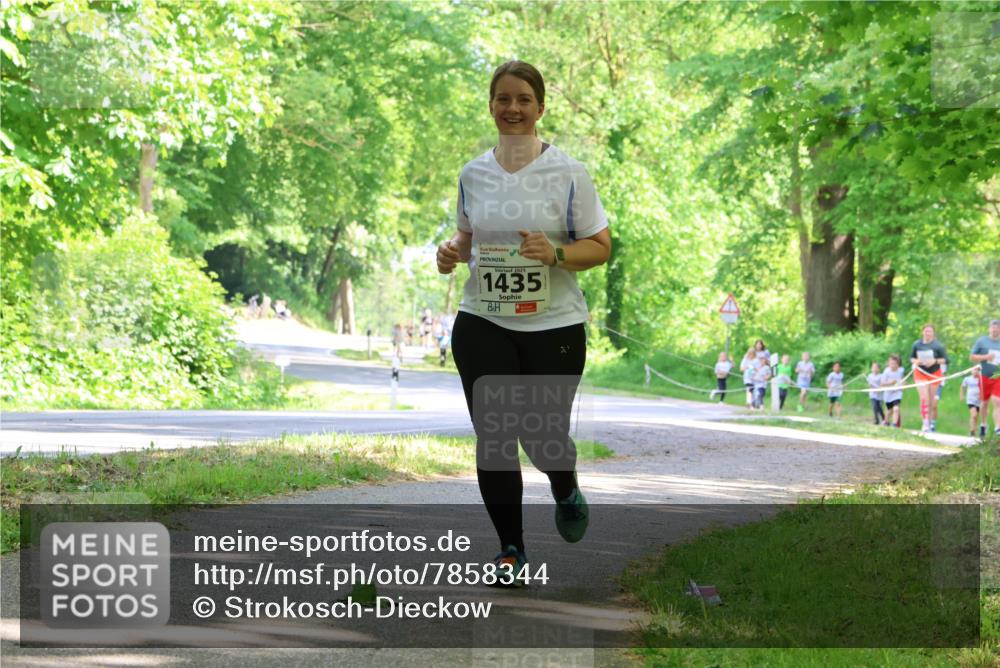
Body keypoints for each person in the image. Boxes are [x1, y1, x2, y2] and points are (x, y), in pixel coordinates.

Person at [435, 60, 612, 585]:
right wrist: (451, 252)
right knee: (494, 436)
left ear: (540, 108)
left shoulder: (569, 173)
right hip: (482, 320)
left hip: (553, 325)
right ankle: (511, 550)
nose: (513, 109)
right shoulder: (473, 172)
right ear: (491, 105)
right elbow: (469, 239)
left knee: (541, 435)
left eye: (523, 100)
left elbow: (600, 247)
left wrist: (556, 254)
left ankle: (563, 483)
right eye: (503, 99)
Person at [910, 324, 948, 432]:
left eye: (930, 331)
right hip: (920, 373)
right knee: (924, 398)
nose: (928, 333)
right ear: (922, 332)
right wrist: (915, 361)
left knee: (931, 401)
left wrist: (934, 361)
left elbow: (946, 360)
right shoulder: (916, 344)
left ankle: (930, 422)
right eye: (926, 331)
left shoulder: (938, 346)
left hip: (934, 373)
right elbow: (912, 358)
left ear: (933, 333)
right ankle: (925, 422)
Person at [970, 318, 1000, 436]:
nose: (995, 329)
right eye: (993, 327)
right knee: (984, 403)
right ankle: (983, 424)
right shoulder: (982, 341)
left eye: (997, 327)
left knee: (997, 401)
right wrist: (986, 357)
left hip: (998, 376)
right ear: (989, 328)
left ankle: (998, 429)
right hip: (984, 376)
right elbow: (972, 357)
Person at [881, 354, 905, 428]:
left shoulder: (901, 370)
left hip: (897, 393)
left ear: (898, 364)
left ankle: (894, 424)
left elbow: (902, 379)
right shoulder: (886, 372)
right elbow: (882, 384)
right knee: (889, 411)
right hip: (888, 394)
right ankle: (886, 422)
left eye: (894, 364)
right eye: (891, 363)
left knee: (896, 408)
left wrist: (903, 383)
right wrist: (890, 383)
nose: (892, 365)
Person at [960, 366, 983, 437]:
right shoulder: (967, 379)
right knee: (974, 414)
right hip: (970, 399)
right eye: (974, 370)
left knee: (976, 416)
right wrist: (962, 395)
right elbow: (962, 387)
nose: (975, 371)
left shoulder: (981, 380)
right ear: (971, 371)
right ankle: (972, 431)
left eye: (977, 370)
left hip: (979, 400)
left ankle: (973, 430)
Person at [866, 361, 886, 426]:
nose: (874, 369)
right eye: (873, 367)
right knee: (874, 406)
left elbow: (882, 384)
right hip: (872, 394)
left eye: (876, 367)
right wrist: (870, 386)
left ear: (878, 369)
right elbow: (869, 385)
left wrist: (879, 389)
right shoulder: (869, 376)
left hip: (879, 395)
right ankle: (876, 420)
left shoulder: (881, 375)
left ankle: (884, 418)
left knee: (879, 407)